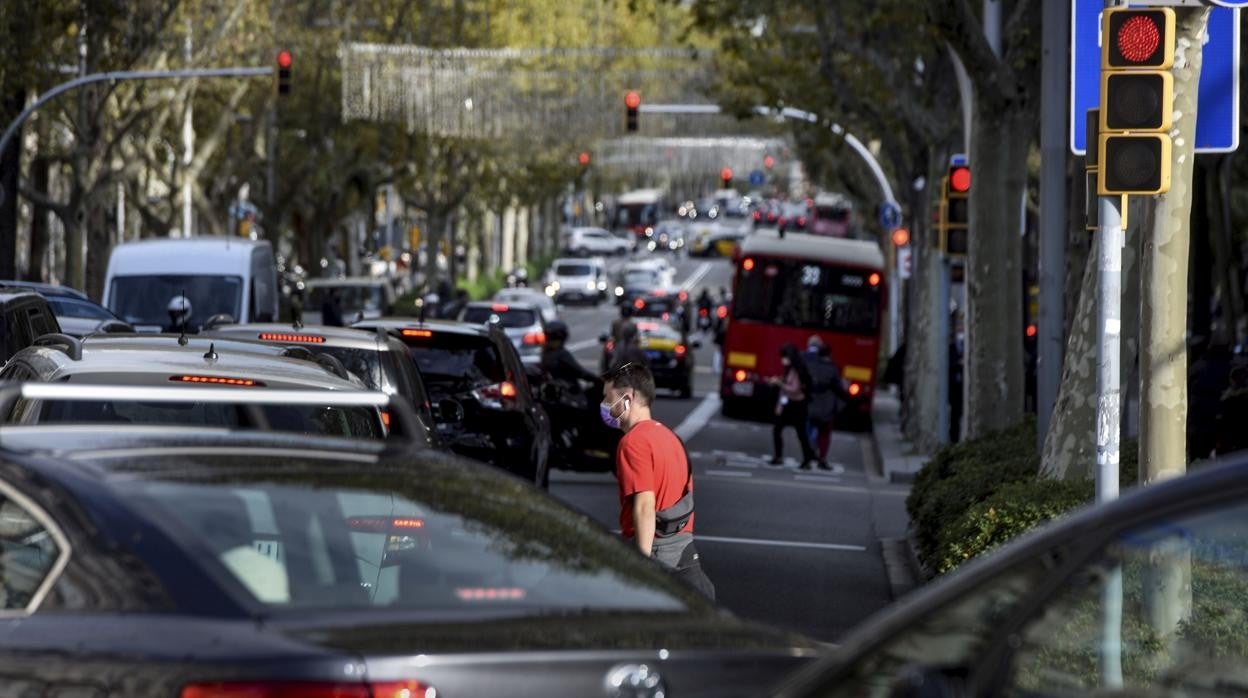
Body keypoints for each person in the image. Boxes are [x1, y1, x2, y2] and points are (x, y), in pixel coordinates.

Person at [601, 361, 715, 599]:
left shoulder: (633, 443)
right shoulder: (670, 437)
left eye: (608, 398)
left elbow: (644, 506)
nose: (604, 406)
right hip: (683, 547)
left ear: (628, 399)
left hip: (655, 550)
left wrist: (642, 567)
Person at [768, 343, 818, 468]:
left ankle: (807, 459)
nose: (783, 360)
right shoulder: (789, 369)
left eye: (784, 357)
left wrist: (779, 383)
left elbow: (794, 389)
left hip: (798, 404)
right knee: (777, 429)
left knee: (801, 433)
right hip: (788, 403)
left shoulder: (798, 370)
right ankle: (778, 456)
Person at [805, 337, 853, 468]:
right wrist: (848, 400)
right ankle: (822, 458)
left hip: (811, 403)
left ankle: (808, 454)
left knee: (809, 428)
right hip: (827, 407)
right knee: (824, 434)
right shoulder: (833, 369)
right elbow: (838, 388)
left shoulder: (811, 366)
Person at [541, 321, 600, 389]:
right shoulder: (561, 353)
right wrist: (598, 379)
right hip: (569, 392)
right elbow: (579, 372)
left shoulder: (546, 353)